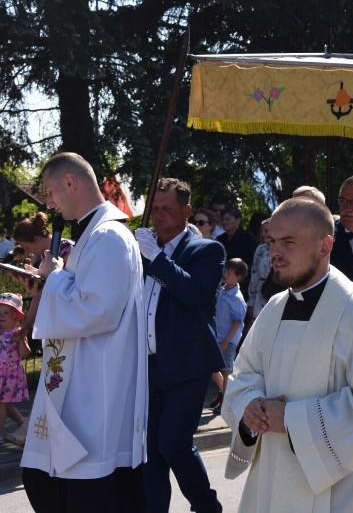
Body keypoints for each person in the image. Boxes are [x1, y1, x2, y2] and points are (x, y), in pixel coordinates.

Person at [222, 197, 353, 512]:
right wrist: (248, 406)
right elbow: (244, 374)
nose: (274, 252)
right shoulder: (274, 310)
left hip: (340, 494)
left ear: (325, 245)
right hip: (272, 480)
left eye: (288, 242)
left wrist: (294, 419)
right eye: (272, 241)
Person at [19, 152, 146, 512]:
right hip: (81, 381)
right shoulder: (94, 236)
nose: (48, 201)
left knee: (78, 490)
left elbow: (98, 309)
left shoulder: (109, 237)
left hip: (96, 391)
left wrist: (54, 277)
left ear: (70, 182)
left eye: (49, 191)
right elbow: (81, 296)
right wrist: (47, 288)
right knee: (42, 479)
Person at [134, 177, 225, 513]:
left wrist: (156, 257)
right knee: (150, 452)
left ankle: (206, 506)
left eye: (166, 209)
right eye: (154, 208)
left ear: (186, 210)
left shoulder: (207, 250)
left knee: (173, 445)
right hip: (147, 365)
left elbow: (193, 293)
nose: (158, 215)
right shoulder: (142, 248)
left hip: (187, 365)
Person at [209, 258, 248, 415]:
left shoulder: (236, 298)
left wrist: (226, 341)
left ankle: (227, 401)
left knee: (226, 370)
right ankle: (224, 393)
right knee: (212, 367)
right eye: (225, 271)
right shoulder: (222, 290)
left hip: (228, 339)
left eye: (229, 272)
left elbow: (237, 323)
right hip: (218, 336)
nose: (225, 274)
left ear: (238, 277)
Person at [0, 292, 30, 446]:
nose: (2, 316)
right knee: (3, 403)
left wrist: (21, 342)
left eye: (6, 312)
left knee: (1, 404)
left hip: (9, 374)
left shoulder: (17, 333)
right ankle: (23, 423)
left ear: (16, 316)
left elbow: (25, 354)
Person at [216, 207, 257, 298]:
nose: (224, 222)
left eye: (228, 219)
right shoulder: (220, 239)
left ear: (238, 220)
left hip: (242, 283)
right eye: (223, 219)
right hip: (222, 282)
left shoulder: (248, 238)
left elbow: (250, 263)